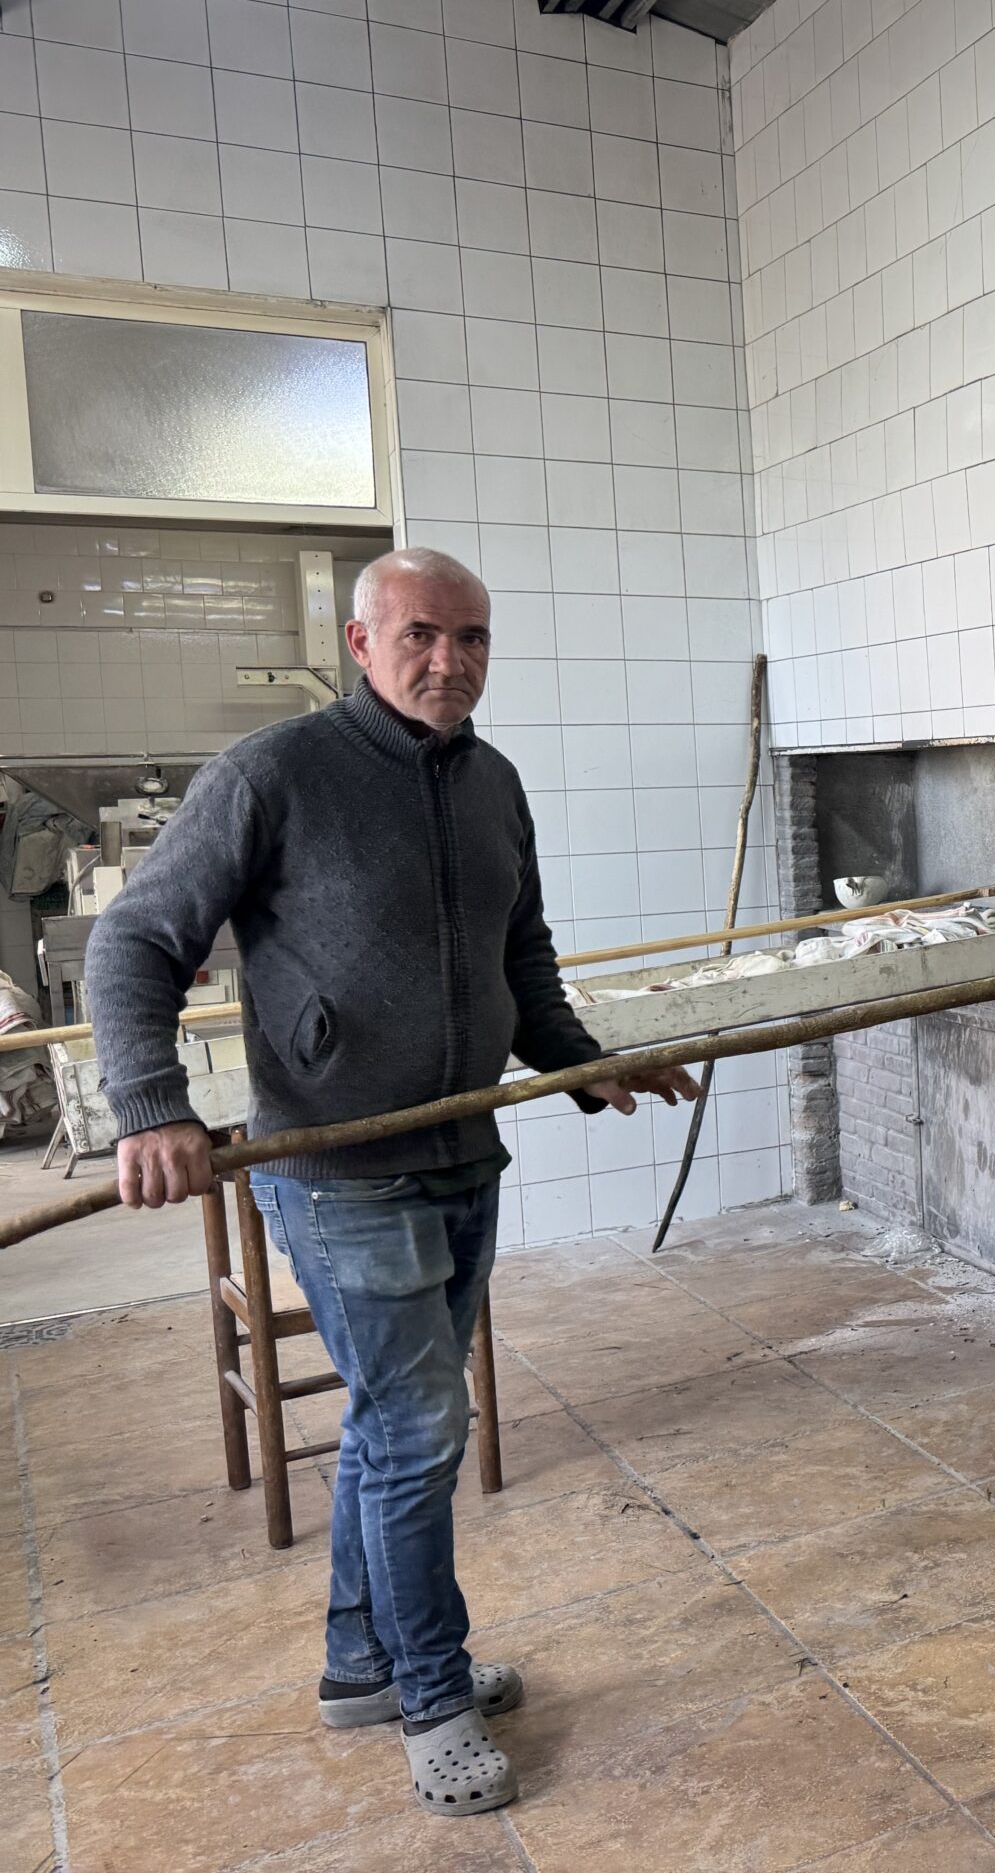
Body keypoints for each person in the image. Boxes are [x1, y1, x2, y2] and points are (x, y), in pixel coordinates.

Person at [85, 547, 699, 1817]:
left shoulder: (494, 784)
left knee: (385, 1430)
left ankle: (362, 1666)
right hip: (336, 1170)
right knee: (422, 1433)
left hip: (464, 1149)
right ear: (362, 644)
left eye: (472, 638)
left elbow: (521, 961)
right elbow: (136, 939)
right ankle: (432, 1694)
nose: (449, 661)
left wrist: (585, 1067)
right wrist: (151, 1105)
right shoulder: (273, 774)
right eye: (421, 634)